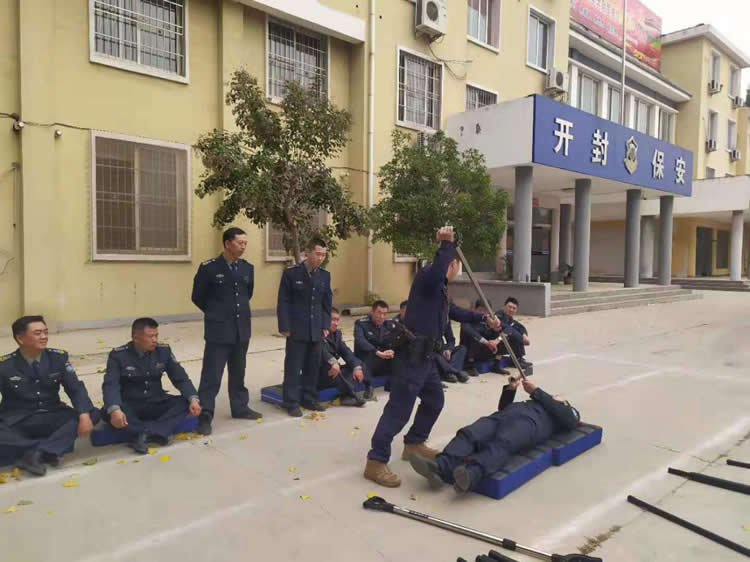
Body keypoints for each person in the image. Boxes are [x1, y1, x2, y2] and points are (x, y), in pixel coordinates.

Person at [364, 227, 501, 488]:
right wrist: (446, 244)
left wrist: (485, 318)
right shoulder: (428, 277)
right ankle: (376, 461)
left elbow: (456, 312)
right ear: (452, 264)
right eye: (455, 265)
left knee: (435, 400)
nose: (456, 270)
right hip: (411, 357)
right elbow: (439, 269)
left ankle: (414, 443)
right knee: (398, 411)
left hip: (426, 359)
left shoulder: (440, 289)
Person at [409, 375, 580, 494]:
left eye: (559, 397)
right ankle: (439, 467)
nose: (555, 395)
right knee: (471, 433)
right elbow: (503, 407)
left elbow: (570, 420)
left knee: (504, 441)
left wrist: (537, 392)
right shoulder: (535, 401)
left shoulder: (566, 411)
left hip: (530, 424)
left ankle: (471, 474)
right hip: (504, 416)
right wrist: (511, 389)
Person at [0, 316, 98, 476]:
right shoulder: (5, 365)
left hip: (52, 414)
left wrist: (84, 414)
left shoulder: (58, 358)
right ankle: (49, 449)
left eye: (45, 332)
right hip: (19, 420)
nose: (44, 337)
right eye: (37, 333)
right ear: (20, 338)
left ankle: (35, 452)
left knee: (92, 413)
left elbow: (75, 389)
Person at [192, 227, 261, 436]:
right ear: (227, 243)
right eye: (240, 242)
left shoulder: (247, 268)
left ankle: (240, 407)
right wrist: (216, 312)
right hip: (219, 330)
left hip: (241, 329)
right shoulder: (209, 268)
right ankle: (205, 415)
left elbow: (247, 294)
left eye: (245, 243)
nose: (243, 246)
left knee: (238, 371)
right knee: (212, 375)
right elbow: (198, 296)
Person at [102, 318, 202, 454]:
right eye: (150, 336)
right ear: (136, 338)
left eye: (156, 335)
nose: (154, 340)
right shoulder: (118, 355)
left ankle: (144, 434)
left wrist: (193, 399)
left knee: (185, 402)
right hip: (130, 405)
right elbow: (110, 384)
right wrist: (115, 409)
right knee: (108, 412)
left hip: (155, 402)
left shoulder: (163, 351)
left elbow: (181, 378)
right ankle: (158, 431)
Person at [277, 237, 333, 417]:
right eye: (318, 254)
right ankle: (291, 402)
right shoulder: (291, 273)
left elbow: (326, 304)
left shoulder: (324, 275)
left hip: (316, 329)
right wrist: (284, 326)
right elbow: (283, 302)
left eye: (323, 255)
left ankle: (309, 398)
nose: (320, 258)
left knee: (312, 367)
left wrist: (325, 325)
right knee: (293, 367)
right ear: (307, 253)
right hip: (296, 328)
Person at [319, 307, 367, 407]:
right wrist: (333, 362)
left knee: (360, 365)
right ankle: (349, 395)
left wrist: (356, 367)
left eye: (337, 320)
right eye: (333, 320)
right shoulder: (318, 333)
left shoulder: (337, 334)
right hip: (321, 372)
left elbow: (346, 352)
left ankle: (346, 395)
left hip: (335, 371)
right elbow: (321, 352)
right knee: (335, 370)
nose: (336, 323)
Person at [354, 300, 396, 395]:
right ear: (372, 312)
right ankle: (369, 386)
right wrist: (377, 352)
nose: (382, 316)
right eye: (379, 313)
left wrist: (392, 350)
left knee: (398, 356)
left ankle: (391, 383)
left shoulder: (388, 323)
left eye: (384, 314)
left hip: (382, 356)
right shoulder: (361, 324)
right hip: (367, 356)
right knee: (365, 361)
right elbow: (360, 341)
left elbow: (394, 339)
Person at [459, 299, 510, 376]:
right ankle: (469, 366)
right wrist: (486, 342)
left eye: (486, 311)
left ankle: (496, 365)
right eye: (480, 310)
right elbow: (469, 331)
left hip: (486, 350)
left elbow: (508, 330)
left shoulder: (491, 320)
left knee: (504, 336)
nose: (483, 313)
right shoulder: (468, 318)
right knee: (475, 337)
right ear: (475, 309)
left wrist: (497, 340)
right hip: (469, 351)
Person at [497, 297, 532, 369]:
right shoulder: (499, 315)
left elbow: (518, 326)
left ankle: (519, 358)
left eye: (514, 308)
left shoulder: (509, 317)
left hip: (502, 339)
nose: (511, 310)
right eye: (509, 307)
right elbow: (506, 328)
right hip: (496, 340)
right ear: (504, 306)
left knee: (517, 331)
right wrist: (520, 337)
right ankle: (517, 360)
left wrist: (524, 335)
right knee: (514, 335)